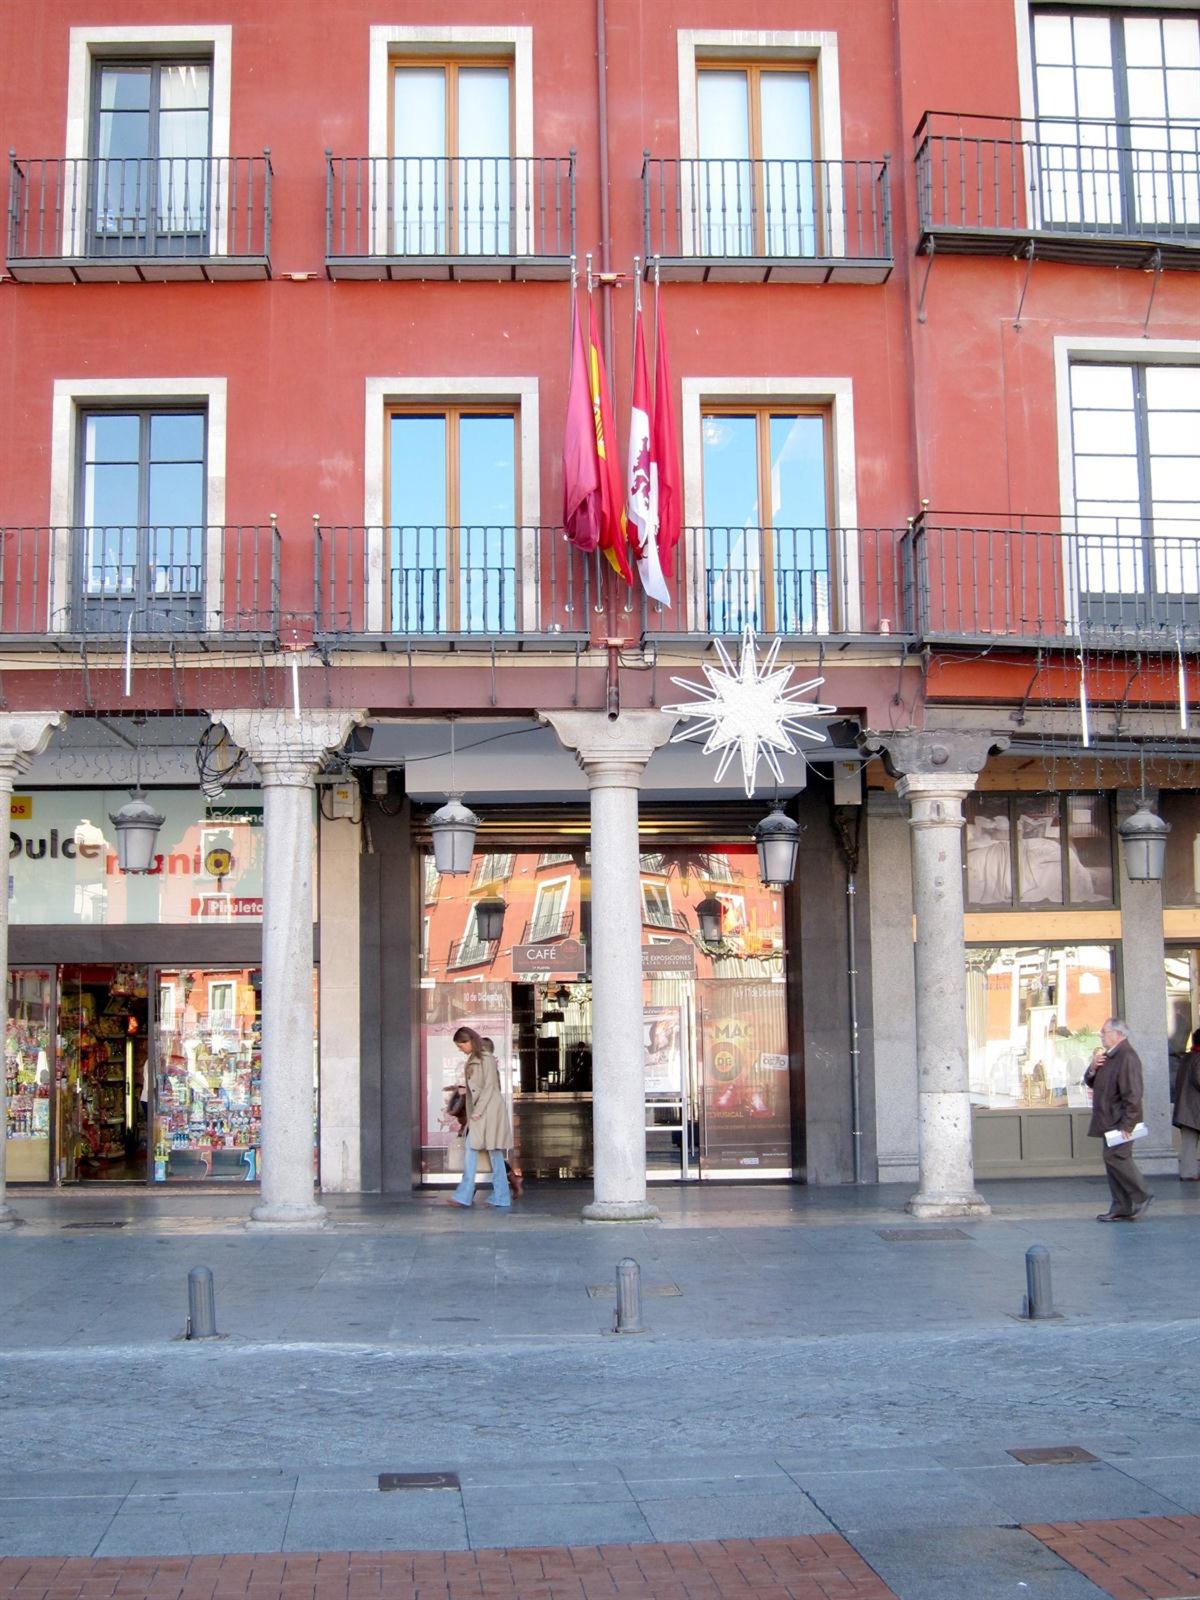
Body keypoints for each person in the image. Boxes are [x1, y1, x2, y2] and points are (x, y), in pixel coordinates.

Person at [1084, 1017, 1152, 1222]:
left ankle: (1142, 1195)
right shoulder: (1109, 1056)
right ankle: (1121, 1206)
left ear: (1117, 1034)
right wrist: (1093, 1068)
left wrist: (1128, 1124)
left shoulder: (1127, 1057)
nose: (1101, 1035)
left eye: (1104, 1032)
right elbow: (1091, 1081)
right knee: (1112, 1162)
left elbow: (1133, 1093)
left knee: (1117, 1158)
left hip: (1119, 1121)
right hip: (1108, 1120)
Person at [447, 1026, 513, 1210]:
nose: (460, 1049)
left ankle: (465, 1195)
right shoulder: (478, 1058)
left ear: (468, 1041)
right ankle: (501, 1196)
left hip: (486, 1111)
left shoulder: (485, 1059)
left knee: (475, 1150)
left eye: (461, 1045)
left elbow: (490, 1087)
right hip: (484, 1111)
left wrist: (477, 1111)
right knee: (493, 1153)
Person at [481, 1038, 522, 1197]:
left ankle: (508, 1183)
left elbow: (486, 1092)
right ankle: (511, 1180)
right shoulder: (490, 1067)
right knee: (491, 1152)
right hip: (487, 1114)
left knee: (490, 1152)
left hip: (486, 1114)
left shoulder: (487, 1067)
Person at [1173, 1027, 1200, 1181]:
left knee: (1188, 1144)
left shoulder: (1187, 1058)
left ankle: (1188, 1172)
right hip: (1195, 1109)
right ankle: (1189, 1173)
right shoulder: (1198, 1058)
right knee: (1189, 1144)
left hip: (1186, 1109)